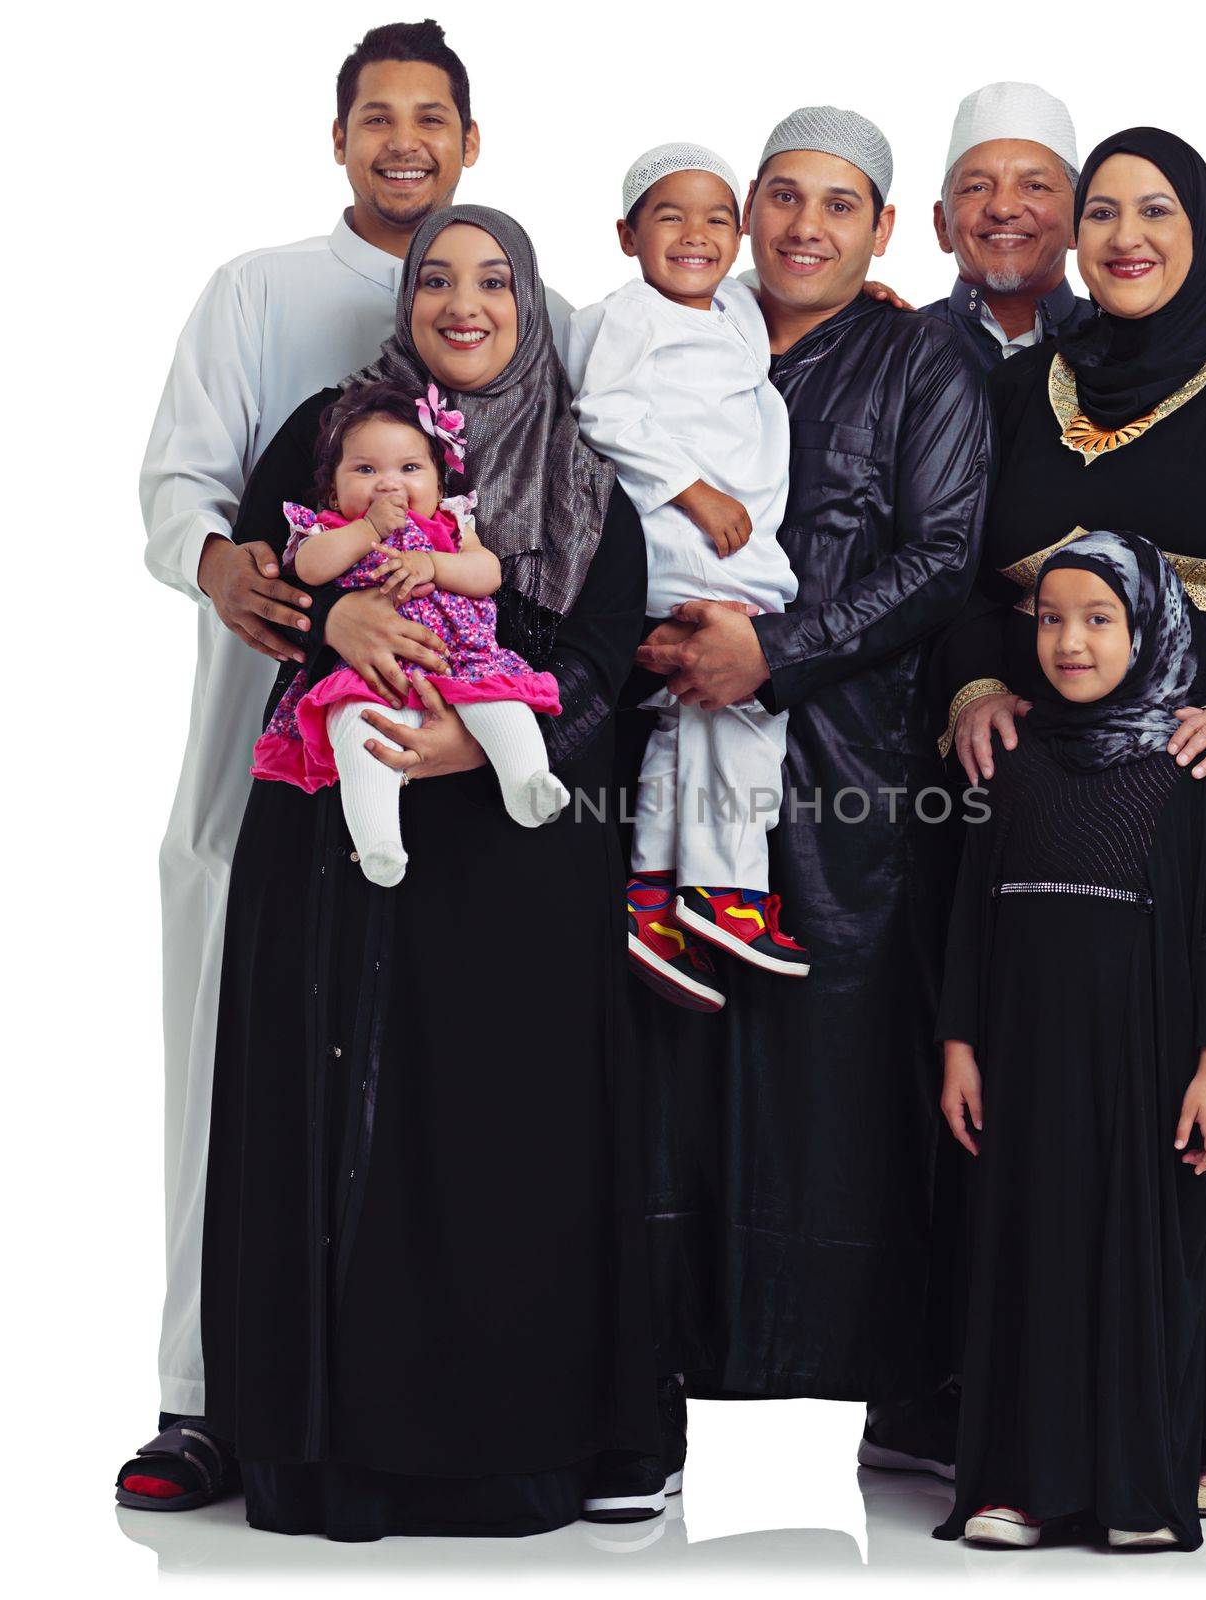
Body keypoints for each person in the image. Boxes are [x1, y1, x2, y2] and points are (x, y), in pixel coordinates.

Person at [123, 20, 573, 1508]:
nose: (403, 143)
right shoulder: (259, 294)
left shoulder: (526, 299)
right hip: (279, 746)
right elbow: (188, 483)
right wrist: (229, 570)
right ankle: (202, 1396)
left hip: (458, 774)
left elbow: (643, 406)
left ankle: (409, 1400)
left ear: (471, 143)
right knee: (235, 1067)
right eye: (374, 117)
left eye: (430, 118)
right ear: (338, 140)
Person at [936, 128, 1206, 1513]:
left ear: (1203, 226)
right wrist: (971, 682)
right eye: (1105, 213)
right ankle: (1045, 1401)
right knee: (1055, 1084)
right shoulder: (1025, 390)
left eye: (1157, 209)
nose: (1128, 235)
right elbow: (962, 559)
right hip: (1053, 795)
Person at [201, 206, 663, 1539]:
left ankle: (503, 1448)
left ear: (532, 305)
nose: (466, 306)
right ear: (406, 304)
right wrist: (334, 616)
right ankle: (326, 1452)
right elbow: (270, 581)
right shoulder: (326, 434)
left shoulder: (579, 470)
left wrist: (489, 738)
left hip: (514, 863)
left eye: (497, 281)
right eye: (438, 283)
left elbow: (608, 653)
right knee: (341, 1125)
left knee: (499, 1135)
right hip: (340, 840)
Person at [628, 106, 989, 1475]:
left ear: (885, 231)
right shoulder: (677, 330)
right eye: (780, 197)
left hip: (850, 779)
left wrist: (769, 652)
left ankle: (896, 1387)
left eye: (840, 205)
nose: (803, 228)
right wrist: (654, 642)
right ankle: (648, 1382)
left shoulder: (920, 361)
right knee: (674, 1063)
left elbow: (944, 554)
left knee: (843, 1078)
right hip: (666, 746)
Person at [932, 530, 1206, 1553]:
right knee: (1027, 1252)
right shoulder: (1014, 759)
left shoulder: (1188, 767)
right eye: (1050, 619)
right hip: (1024, 1057)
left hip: (1141, 1059)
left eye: (1097, 619)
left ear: (1148, 625)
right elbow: (972, 913)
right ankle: (1020, 1485)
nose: (1068, 642)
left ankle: (1130, 1490)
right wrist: (959, 1048)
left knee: (1133, 1261)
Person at [564, 144, 804, 1009]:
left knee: (685, 723)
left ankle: (654, 897)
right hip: (691, 544)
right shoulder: (631, 313)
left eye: (716, 219)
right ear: (628, 235)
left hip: (724, 545)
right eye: (670, 217)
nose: (696, 235)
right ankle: (728, 892)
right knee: (745, 711)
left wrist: (882, 296)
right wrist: (695, 493)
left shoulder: (732, 310)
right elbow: (605, 411)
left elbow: (774, 303)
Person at [252, 379, 569, 885]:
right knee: (356, 729)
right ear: (334, 489)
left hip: (460, 656)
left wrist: (434, 565)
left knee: (499, 699)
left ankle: (528, 780)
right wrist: (368, 530)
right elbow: (310, 568)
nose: (388, 484)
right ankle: (378, 843)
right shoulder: (330, 527)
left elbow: (487, 574)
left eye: (410, 468)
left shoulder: (450, 524)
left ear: (440, 487)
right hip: (371, 672)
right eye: (365, 469)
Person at [921, 82, 1206, 395]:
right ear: (942, 224)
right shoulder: (892, 345)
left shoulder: (1144, 345)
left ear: (1079, 222)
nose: (1003, 207)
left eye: (1035, 186)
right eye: (976, 187)